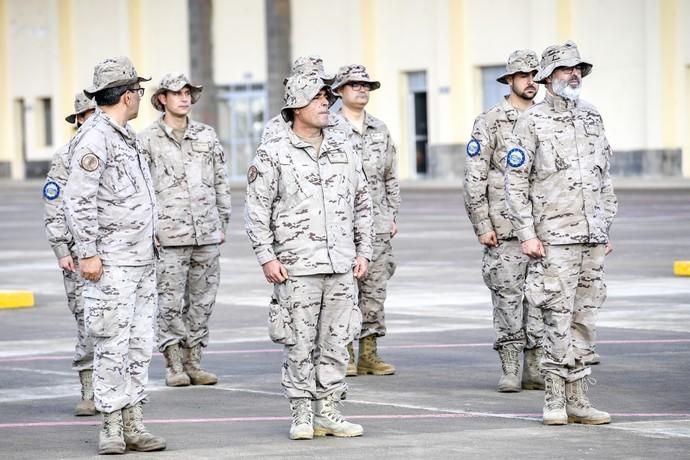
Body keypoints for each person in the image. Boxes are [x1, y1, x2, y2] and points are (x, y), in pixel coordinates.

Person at [245, 74, 373, 440]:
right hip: (296, 266)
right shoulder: (274, 153)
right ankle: (302, 412)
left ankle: (329, 411)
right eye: (317, 98)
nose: (325, 104)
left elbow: (363, 203)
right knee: (299, 343)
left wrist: (364, 250)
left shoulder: (343, 148)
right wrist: (266, 257)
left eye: (326, 98)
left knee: (337, 341)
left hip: (341, 264)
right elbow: (256, 211)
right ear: (296, 106)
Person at [505, 41, 618, 425]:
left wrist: (605, 225)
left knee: (585, 318)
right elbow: (515, 182)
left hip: (591, 237)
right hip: (553, 238)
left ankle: (579, 399)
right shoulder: (530, 121)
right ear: (548, 78)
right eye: (566, 69)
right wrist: (526, 233)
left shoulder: (592, 117)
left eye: (578, 69)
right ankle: (554, 398)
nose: (574, 75)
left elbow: (605, 178)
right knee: (555, 316)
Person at [63, 56, 165, 454]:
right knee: (112, 344)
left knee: (140, 344)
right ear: (127, 95)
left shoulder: (127, 137)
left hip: (140, 261)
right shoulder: (95, 138)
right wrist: (87, 253)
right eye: (139, 91)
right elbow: (78, 200)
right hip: (111, 264)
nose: (140, 97)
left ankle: (134, 421)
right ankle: (110, 426)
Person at [138, 73, 231, 387]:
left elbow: (220, 181)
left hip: (206, 232)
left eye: (188, 92)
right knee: (170, 301)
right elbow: (141, 189)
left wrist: (222, 222)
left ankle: (194, 360)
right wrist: (148, 230)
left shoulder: (206, 135)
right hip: (168, 234)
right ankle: (174, 363)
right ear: (162, 98)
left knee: (203, 300)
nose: (184, 98)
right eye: (176, 93)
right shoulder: (147, 139)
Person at [463, 50, 544, 392]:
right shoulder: (490, 120)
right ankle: (511, 365)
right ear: (509, 80)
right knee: (508, 297)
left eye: (535, 76)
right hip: (505, 227)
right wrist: (482, 223)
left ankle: (536, 365)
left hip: (543, 227)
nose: (531, 82)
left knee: (541, 298)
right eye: (524, 76)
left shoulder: (546, 118)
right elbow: (474, 175)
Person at [332, 64, 400, 376]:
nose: (361, 90)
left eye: (365, 86)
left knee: (374, 289)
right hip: (340, 225)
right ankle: (343, 352)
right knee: (344, 289)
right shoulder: (329, 129)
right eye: (354, 85)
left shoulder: (379, 129)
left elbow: (390, 177)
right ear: (339, 91)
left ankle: (369, 353)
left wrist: (391, 214)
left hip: (376, 224)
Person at [43, 92, 97, 415]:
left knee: (118, 324)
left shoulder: (118, 149)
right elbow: (54, 205)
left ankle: (117, 393)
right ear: (78, 119)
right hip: (77, 254)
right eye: (87, 115)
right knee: (87, 320)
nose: (92, 119)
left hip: (113, 252)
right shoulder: (64, 157)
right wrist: (61, 248)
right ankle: (89, 390)